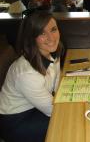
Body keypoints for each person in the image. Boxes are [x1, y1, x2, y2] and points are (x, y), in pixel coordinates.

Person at [0, 10, 63, 142]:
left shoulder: (52, 51)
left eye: (53, 29)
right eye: (42, 33)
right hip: (17, 120)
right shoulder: (27, 73)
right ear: (31, 37)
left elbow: (57, 81)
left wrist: (63, 97)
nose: (51, 38)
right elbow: (54, 111)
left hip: (37, 106)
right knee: (65, 125)